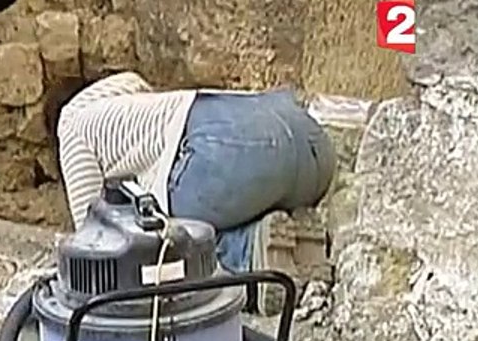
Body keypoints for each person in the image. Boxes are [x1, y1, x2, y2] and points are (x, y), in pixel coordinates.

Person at [43, 71, 336, 314]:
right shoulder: (134, 92)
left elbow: (94, 245)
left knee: (157, 242)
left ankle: (245, 254)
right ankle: (293, 238)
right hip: (313, 146)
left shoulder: (71, 123)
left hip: (232, 154)